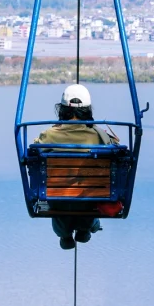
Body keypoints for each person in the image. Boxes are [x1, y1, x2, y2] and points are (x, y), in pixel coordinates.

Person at [36, 83, 118, 250]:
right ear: (87, 110)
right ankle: (85, 228)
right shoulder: (99, 136)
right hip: (90, 198)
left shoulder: (49, 135)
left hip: (58, 197)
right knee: (90, 199)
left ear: (62, 110)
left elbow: (33, 155)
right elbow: (117, 153)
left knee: (59, 199)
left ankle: (65, 235)